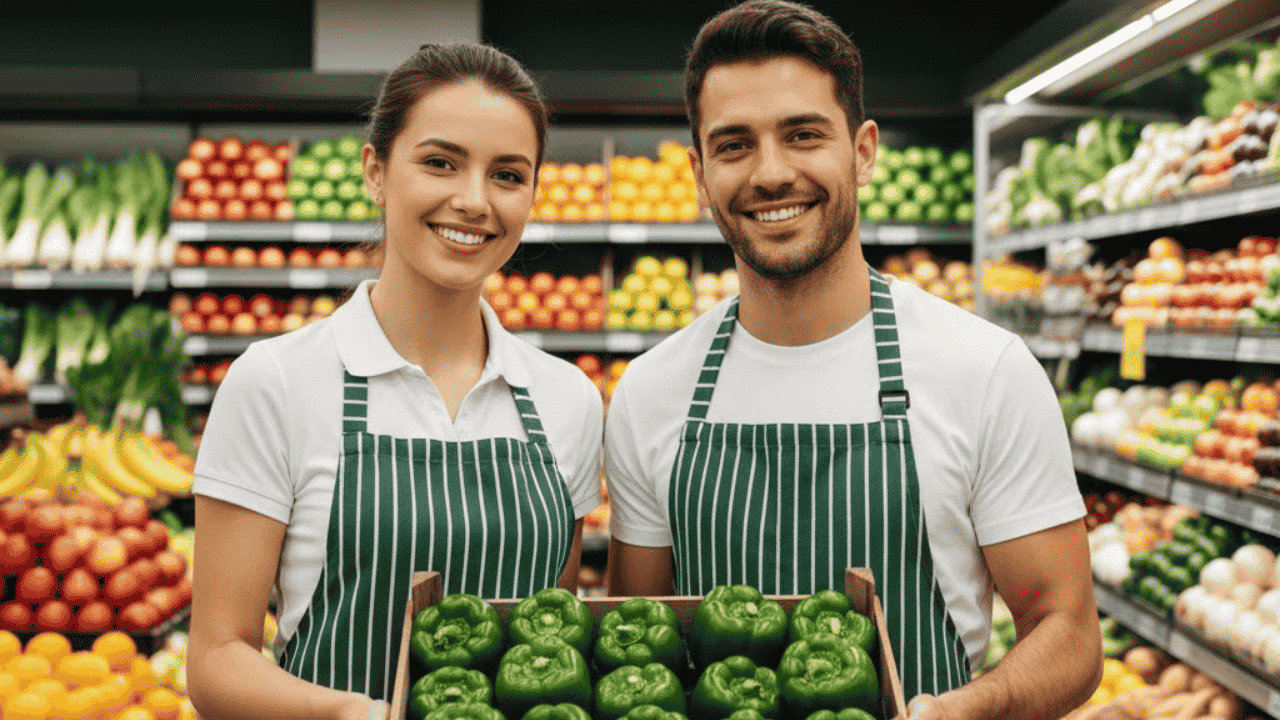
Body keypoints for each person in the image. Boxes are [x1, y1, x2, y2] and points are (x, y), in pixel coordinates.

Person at [604, 2, 1100, 719]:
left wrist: (977, 707)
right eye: (734, 144)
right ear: (699, 170)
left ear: (863, 151)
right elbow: (638, 642)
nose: (771, 174)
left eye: (803, 135)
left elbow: (1070, 632)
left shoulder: (984, 370)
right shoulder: (652, 391)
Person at [188, 43, 603, 720]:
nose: (473, 201)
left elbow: (548, 629)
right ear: (376, 171)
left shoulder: (567, 400)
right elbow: (215, 661)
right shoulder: (277, 383)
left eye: (507, 175)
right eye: (440, 163)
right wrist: (359, 714)